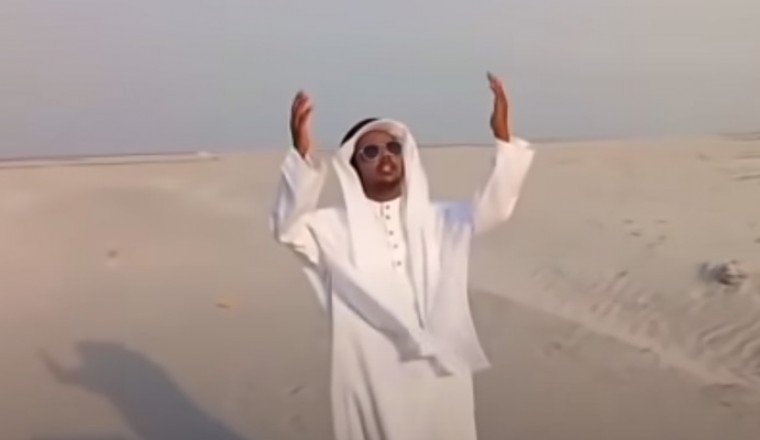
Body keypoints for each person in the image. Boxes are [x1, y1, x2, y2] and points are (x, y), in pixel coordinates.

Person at [270, 73, 535, 440]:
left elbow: (495, 209)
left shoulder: (440, 218)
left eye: (393, 148)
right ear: (353, 167)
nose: (385, 157)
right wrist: (301, 158)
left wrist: (503, 138)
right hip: (375, 377)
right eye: (370, 152)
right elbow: (288, 228)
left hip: (441, 372)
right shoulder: (332, 228)